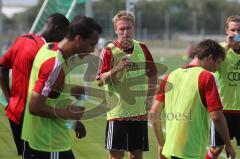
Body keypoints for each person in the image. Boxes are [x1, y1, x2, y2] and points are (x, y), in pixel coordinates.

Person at [21, 15, 102, 159]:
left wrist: (69, 90)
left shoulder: (49, 48)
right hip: (49, 144)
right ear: (78, 39)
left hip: (39, 141)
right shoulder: (54, 64)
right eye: (91, 44)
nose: (92, 50)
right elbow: (35, 107)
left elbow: (47, 88)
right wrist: (69, 114)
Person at [150, 39, 236, 159]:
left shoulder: (171, 75)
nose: (217, 68)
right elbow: (216, 116)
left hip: (169, 150)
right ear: (210, 58)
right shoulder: (206, 77)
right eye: (217, 62)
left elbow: (154, 112)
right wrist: (228, 144)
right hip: (191, 152)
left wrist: (161, 144)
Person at [0, 13, 69, 156]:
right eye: (64, 34)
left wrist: (9, 100)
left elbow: (2, 67)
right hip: (31, 118)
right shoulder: (45, 51)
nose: (64, 39)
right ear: (56, 29)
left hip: (14, 112)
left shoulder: (22, 39)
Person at [97, 10, 157, 159]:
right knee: (116, 156)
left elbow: (153, 74)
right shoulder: (108, 51)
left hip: (139, 113)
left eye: (128, 28)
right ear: (116, 30)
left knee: (137, 155)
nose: (125, 32)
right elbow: (99, 80)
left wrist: (150, 98)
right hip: (117, 113)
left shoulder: (142, 48)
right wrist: (116, 69)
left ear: (133, 28)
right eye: (121, 29)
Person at [205, 15, 240, 159]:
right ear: (227, 30)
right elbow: (209, 66)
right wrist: (228, 46)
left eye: (239, 30)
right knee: (216, 149)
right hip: (223, 110)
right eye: (233, 30)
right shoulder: (220, 49)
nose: (237, 34)